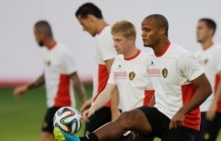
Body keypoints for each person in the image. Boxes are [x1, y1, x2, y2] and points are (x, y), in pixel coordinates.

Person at [54, 14, 212, 141]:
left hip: (182, 123)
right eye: (142, 30)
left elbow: (206, 88)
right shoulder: (150, 59)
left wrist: (182, 112)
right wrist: (141, 121)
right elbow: (159, 90)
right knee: (128, 117)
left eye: (147, 30)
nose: (142, 34)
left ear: (162, 31)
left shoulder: (181, 56)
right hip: (161, 114)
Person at [13, 20, 86, 141]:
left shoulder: (63, 53)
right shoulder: (49, 54)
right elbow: (44, 77)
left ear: (42, 34)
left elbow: (76, 79)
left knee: (46, 137)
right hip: (54, 104)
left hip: (62, 105)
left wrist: (84, 102)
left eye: (35, 35)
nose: (35, 38)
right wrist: (25, 88)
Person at [84, 20, 155, 141]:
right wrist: (92, 108)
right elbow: (108, 91)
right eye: (114, 40)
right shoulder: (117, 62)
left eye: (118, 40)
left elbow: (157, 93)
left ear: (131, 39)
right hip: (125, 123)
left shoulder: (148, 60)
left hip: (143, 123)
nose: (114, 45)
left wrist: (142, 120)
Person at [74, 2, 119, 135]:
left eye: (82, 23)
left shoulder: (105, 37)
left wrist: (114, 111)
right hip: (105, 104)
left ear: (90, 18)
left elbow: (114, 75)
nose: (83, 28)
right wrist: (93, 100)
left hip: (107, 106)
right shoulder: (110, 34)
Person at [194, 18, 221, 141]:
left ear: (210, 31)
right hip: (200, 108)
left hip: (214, 108)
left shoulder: (218, 51)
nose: (196, 31)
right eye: (196, 28)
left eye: (200, 28)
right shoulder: (197, 55)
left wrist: (214, 104)